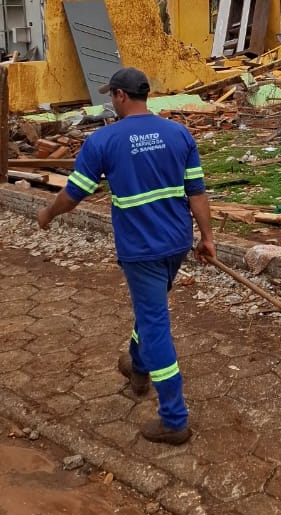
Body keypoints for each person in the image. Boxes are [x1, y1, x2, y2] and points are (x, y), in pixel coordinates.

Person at [36, 66, 216, 445]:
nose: (110, 102)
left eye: (111, 96)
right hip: (176, 243)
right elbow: (197, 193)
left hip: (141, 249)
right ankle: (137, 366)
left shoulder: (105, 140)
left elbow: (74, 194)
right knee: (150, 308)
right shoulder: (178, 133)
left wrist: (48, 213)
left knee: (155, 325)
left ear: (120, 96)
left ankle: (174, 417)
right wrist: (207, 237)